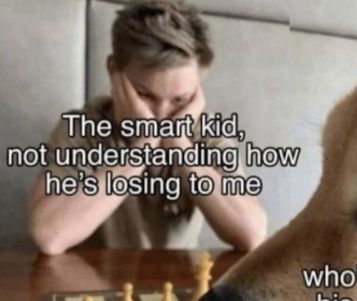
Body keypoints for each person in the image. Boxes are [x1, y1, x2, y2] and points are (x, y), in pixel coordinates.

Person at [28, 0, 267, 255]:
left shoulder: (206, 133)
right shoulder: (81, 128)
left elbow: (252, 234)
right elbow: (48, 236)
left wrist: (179, 145)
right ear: (114, 71)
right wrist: (141, 149)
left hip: (174, 278)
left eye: (179, 100)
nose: (160, 116)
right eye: (145, 95)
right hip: (89, 279)